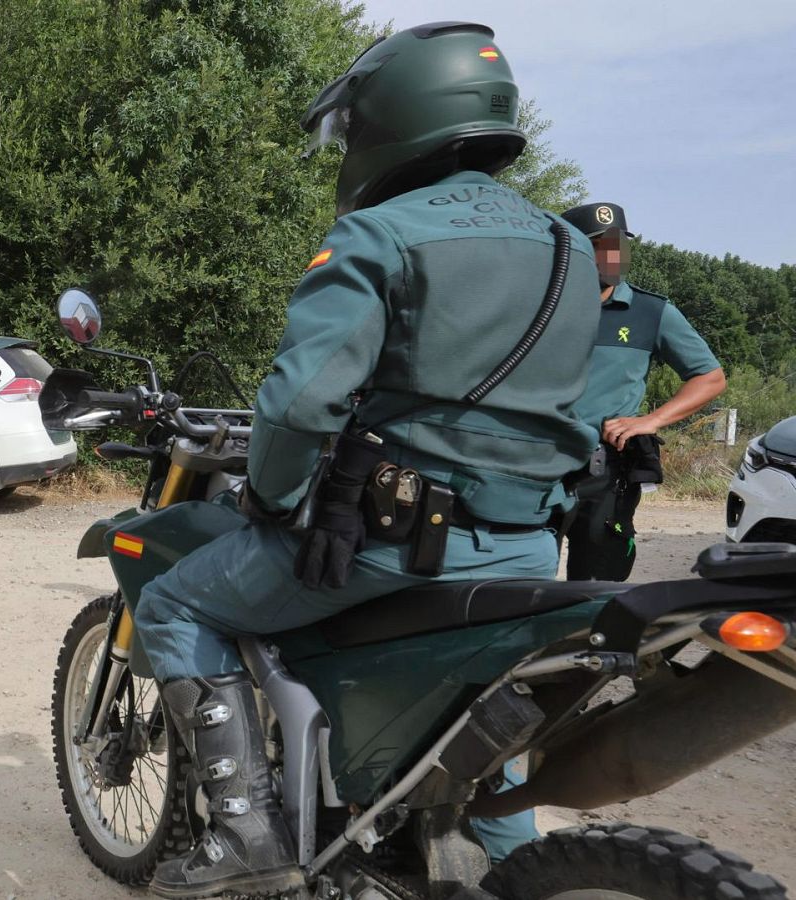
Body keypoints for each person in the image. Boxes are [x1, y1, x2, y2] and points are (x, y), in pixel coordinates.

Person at [131, 23, 604, 898]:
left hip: (394, 544)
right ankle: (518, 869)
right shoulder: (572, 249)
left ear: (394, 117)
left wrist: (273, 499)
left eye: (351, 130)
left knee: (172, 603)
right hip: (532, 545)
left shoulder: (381, 235)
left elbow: (304, 402)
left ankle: (244, 837)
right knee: (490, 703)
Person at [559, 201, 726, 581]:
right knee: (517, 585)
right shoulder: (542, 307)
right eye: (599, 245)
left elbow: (710, 377)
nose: (612, 255)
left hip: (607, 470)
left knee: (598, 586)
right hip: (537, 463)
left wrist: (651, 420)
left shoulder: (652, 312)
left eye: (618, 244)